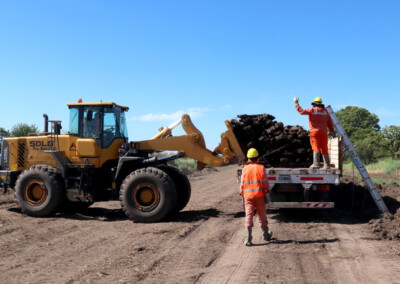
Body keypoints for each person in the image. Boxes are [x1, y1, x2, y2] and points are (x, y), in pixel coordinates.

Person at [240, 148, 272, 246]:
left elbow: (242, 184)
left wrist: (242, 194)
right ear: (257, 158)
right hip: (259, 196)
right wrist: (267, 193)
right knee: (262, 216)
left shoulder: (244, 169)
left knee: (249, 216)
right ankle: (266, 235)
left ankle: (248, 239)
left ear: (248, 159)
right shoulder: (261, 168)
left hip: (248, 197)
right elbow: (265, 184)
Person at [293, 96, 334, 169]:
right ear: (321, 103)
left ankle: (316, 164)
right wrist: (331, 130)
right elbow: (329, 122)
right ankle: (327, 165)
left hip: (314, 132)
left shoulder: (312, 110)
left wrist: (296, 104)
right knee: (324, 148)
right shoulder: (325, 111)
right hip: (323, 132)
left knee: (316, 147)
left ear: (314, 103)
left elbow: (302, 111)